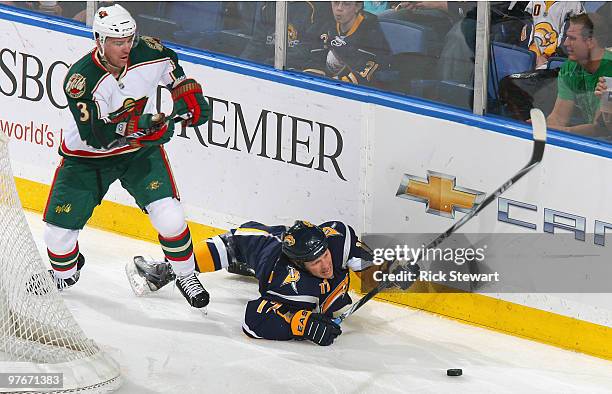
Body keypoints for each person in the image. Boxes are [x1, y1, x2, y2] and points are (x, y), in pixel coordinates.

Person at [36, 4, 210, 309]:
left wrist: (188, 95)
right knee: (57, 238)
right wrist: (141, 126)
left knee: (170, 217)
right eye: (118, 42)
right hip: (85, 159)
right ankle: (66, 273)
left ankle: (185, 274)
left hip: (137, 154)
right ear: (99, 41)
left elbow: (173, 70)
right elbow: (96, 136)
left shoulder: (148, 52)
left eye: (130, 39)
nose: (126, 47)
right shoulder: (81, 79)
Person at [125, 220, 418, 346]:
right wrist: (301, 324)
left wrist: (390, 272)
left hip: (289, 254)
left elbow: (364, 263)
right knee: (235, 242)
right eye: (316, 263)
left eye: (325, 255)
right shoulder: (283, 283)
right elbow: (254, 322)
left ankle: (242, 267)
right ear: (299, 265)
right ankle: (165, 270)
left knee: (329, 287)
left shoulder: (336, 240)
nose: (326, 264)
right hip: (263, 250)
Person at [546, 13, 612, 136]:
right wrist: (541, 127)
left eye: (572, 38)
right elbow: (559, 117)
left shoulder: (610, 70)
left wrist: (565, 132)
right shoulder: (570, 67)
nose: (565, 43)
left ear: (590, 42)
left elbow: (601, 128)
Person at [302, 1, 391, 86]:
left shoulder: (370, 30)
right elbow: (310, 53)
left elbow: (366, 72)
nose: (339, 8)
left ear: (357, 7)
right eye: (336, 2)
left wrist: (334, 81)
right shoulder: (326, 22)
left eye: (346, 3)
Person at [524, 1, 584, 69]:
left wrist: (546, 55)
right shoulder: (533, 2)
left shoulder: (573, 4)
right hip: (529, 54)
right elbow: (526, 28)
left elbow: (569, 35)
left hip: (555, 58)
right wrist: (534, 54)